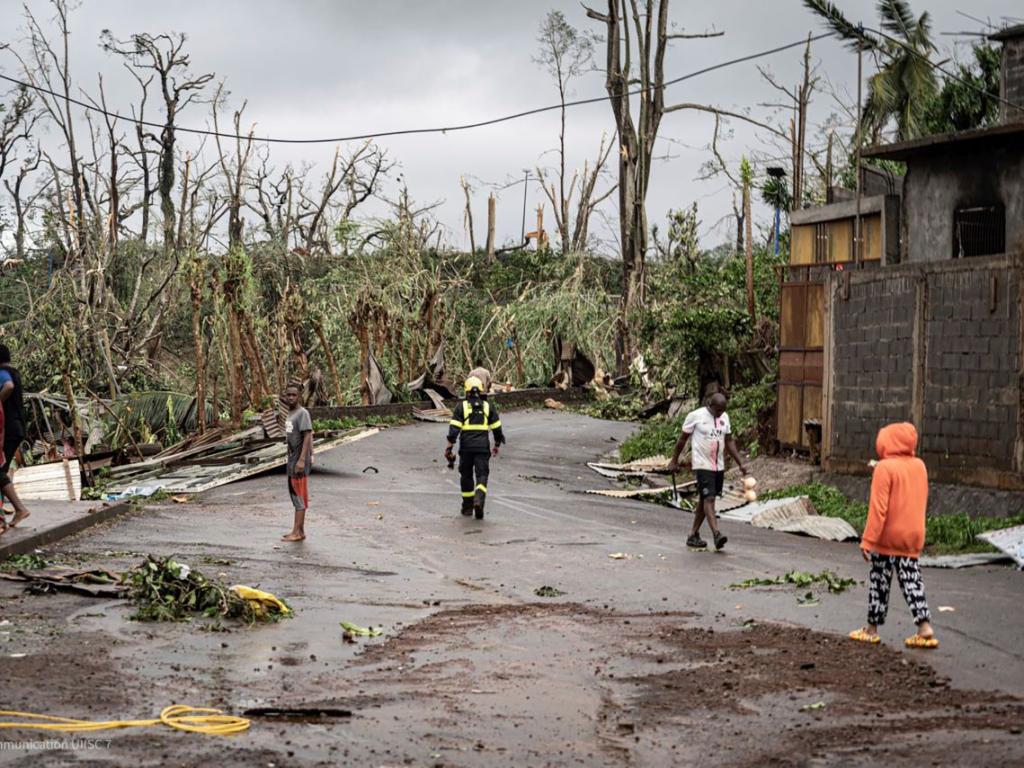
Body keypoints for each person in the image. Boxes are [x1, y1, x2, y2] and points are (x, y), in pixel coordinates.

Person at [849, 422, 938, 649]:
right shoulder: (920, 466)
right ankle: (924, 626)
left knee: (879, 581)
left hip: (888, 538)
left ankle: (871, 629)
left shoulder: (884, 468)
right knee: (911, 580)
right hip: (913, 535)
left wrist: (868, 540)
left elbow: (878, 509)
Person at [667, 392, 748, 551]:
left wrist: (740, 463)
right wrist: (674, 460)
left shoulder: (725, 418)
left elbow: (729, 441)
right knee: (709, 498)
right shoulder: (695, 416)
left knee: (706, 499)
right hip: (702, 464)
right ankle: (716, 534)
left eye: (722, 411)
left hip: (718, 466)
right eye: (718, 410)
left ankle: (693, 534)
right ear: (710, 406)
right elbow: (682, 439)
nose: (720, 414)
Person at [445, 376, 504, 520]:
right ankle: (479, 499)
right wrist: (496, 444)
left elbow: (454, 430)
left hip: (466, 448)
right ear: (481, 391)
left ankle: (467, 508)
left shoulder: (461, 407)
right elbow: (497, 428)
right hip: (482, 448)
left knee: (466, 476)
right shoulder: (487, 406)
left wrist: (449, 448)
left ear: (466, 391)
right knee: (482, 475)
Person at [0, 343, 30, 531]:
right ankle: (4, 512)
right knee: (1, 469)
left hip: (8, 428)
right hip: (17, 426)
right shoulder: (14, 371)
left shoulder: (2, 372)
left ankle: (20, 508)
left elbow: (8, 386)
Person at [282, 383, 313, 542]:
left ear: (299, 396)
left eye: (294, 395)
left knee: (299, 495)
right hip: (292, 458)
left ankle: (297, 532)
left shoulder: (302, 413)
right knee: (295, 494)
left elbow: (308, 435)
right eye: (288, 395)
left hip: (299, 461)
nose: (291, 398)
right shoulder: (290, 413)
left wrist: (302, 460)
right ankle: (298, 530)